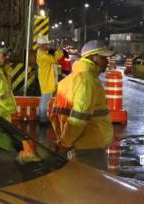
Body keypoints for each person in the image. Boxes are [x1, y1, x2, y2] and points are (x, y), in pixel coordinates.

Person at [49, 40, 114, 169]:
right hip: (89, 147)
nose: (107, 61)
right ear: (93, 57)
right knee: (95, 186)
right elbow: (78, 119)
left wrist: (63, 141)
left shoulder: (72, 79)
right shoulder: (87, 81)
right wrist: (65, 145)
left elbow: (57, 114)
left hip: (79, 145)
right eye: (104, 57)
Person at [36, 35, 63, 124]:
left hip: (46, 80)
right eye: (47, 44)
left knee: (45, 100)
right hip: (46, 81)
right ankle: (42, 119)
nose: (48, 46)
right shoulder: (43, 56)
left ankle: (41, 117)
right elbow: (54, 58)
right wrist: (60, 50)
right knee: (44, 101)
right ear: (43, 45)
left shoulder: (42, 54)